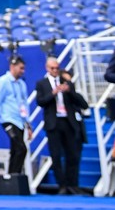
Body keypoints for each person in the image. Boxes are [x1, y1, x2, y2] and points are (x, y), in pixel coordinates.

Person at [35, 56, 87, 194]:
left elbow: (81, 102)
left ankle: (73, 184)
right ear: (47, 68)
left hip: (68, 122)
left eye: (57, 68)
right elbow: (40, 102)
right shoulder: (42, 84)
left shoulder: (66, 82)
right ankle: (62, 185)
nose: (55, 70)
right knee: (56, 155)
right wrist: (53, 93)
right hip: (54, 123)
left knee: (72, 154)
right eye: (52, 68)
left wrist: (69, 90)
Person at [0, 56, 31, 177]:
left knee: (15, 150)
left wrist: (28, 124)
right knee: (21, 148)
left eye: (24, 68)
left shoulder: (22, 84)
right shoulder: (3, 81)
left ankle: (11, 177)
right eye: (20, 68)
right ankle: (14, 176)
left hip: (20, 121)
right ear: (12, 67)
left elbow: (25, 104)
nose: (23, 71)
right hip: (8, 120)